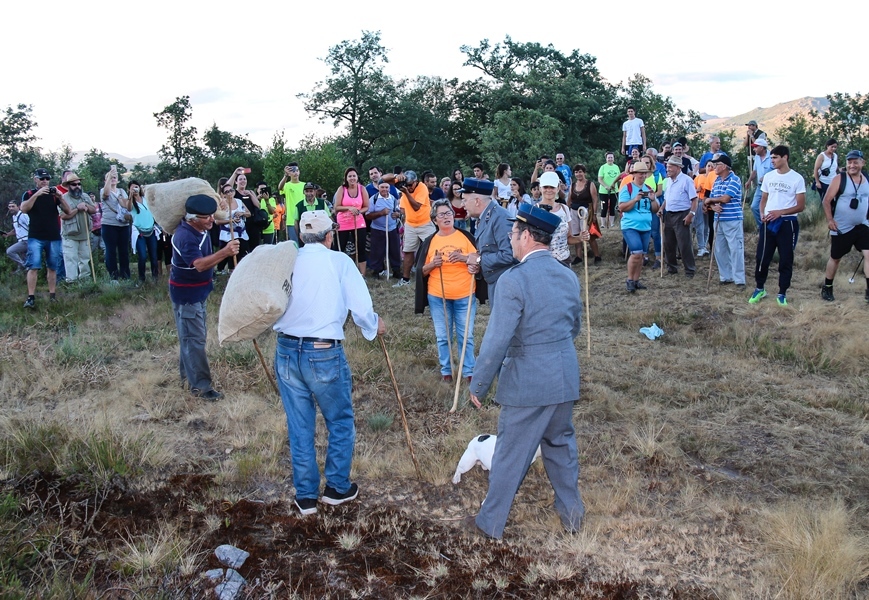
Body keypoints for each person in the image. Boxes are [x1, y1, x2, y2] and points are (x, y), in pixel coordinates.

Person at [463, 202, 584, 540]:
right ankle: (573, 516)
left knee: (510, 455)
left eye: (513, 234)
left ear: (528, 236)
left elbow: (496, 340)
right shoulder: (567, 275)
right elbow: (574, 327)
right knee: (560, 447)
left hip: (528, 380)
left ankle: (489, 524)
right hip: (563, 374)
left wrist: (479, 384)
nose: (511, 240)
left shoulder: (513, 281)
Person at [272, 210, 385, 515]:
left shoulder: (288, 261)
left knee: (300, 425)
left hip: (285, 349)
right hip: (322, 351)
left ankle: (306, 496)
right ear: (328, 236)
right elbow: (360, 307)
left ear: (300, 234)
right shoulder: (339, 262)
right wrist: (373, 325)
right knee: (339, 420)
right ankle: (336, 487)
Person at [170, 194, 239, 401]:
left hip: (198, 293)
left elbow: (215, 219)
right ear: (191, 218)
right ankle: (201, 387)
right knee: (195, 340)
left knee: (189, 337)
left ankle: (187, 378)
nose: (211, 220)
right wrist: (225, 252)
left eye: (212, 215)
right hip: (188, 296)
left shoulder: (199, 228)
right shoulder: (185, 236)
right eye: (205, 217)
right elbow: (199, 264)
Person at [414, 200, 482, 382]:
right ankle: (447, 371)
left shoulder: (465, 237)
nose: (446, 217)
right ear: (435, 220)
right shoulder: (430, 241)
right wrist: (432, 264)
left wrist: (464, 257)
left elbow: (479, 260)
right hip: (438, 296)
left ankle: (468, 372)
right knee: (443, 336)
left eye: (449, 213)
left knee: (465, 336)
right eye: (441, 214)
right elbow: (420, 270)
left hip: (465, 295)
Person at [749, 146, 806, 306]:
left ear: (785, 157)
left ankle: (782, 293)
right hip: (768, 222)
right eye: (772, 157)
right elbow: (763, 199)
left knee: (786, 258)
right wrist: (762, 213)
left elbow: (801, 206)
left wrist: (781, 212)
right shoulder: (768, 177)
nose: (772, 161)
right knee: (762, 257)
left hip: (787, 223)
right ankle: (760, 288)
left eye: (775, 158)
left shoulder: (797, 178)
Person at [821, 150, 869, 302]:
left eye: (856, 162)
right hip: (842, 226)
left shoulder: (867, 178)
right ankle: (827, 287)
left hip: (863, 225)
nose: (852, 165)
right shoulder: (839, 179)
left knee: (868, 255)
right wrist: (830, 220)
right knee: (835, 258)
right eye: (849, 162)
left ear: (863, 163)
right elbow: (826, 200)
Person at [457, 177, 516, 301]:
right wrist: (478, 265)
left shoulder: (500, 218)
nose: (462, 205)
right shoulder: (486, 217)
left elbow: (510, 255)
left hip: (505, 284)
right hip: (496, 281)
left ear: (477, 201)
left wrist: (479, 259)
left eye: (465, 200)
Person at [20, 168, 73, 308]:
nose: (45, 181)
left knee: (53, 266)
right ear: (35, 179)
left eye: (47, 179)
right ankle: (31, 297)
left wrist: (61, 197)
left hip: (53, 236)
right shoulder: (29, 194)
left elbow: (68, 211)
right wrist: (37, 195)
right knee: (33, 266)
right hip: (35, 236)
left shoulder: (53, 195)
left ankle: (52, 295)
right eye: (42, 179)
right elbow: (24, 209)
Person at [382, 170, 435, 287]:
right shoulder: (404, 183)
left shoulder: (422, 188)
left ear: (416, 182)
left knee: (433, 249)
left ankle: (434, 276)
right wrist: (396, 176)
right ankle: (405, 279)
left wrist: (406, 193)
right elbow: (384, 178)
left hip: (425, 223)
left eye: (411, 185)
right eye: (407, 185)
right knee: (408, 251)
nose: (408, 187)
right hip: (410, 224)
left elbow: (416, 207)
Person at [705, 154, 745, 288]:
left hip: (732, 219)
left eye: (717, 164)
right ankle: (726, 276)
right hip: (718, 219)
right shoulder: (716, 181)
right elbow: (709, 200)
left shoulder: (734, 179)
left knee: (735, 249)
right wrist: (711, 205)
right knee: (719, 249)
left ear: (724, 166)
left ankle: (739, 279)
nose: (714, 167)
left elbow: (726, 198)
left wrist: (711, 201)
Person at [618, 161, 659, 292]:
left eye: (644, 173)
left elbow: (655, 209)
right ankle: (630, 280)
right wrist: (635, 199)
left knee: (641, 256)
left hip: (646, 227)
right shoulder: (627, 188)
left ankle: (636, 281)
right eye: (640, 173)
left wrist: (653, 199)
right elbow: (622, 207)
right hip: (630, 226)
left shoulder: (649, 189)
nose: (642, 175)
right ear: (634, 174)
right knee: (636, 253)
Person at [660, 156, 699, 277]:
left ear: (678, 167)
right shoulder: (669, 181)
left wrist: (690, 215)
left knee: (684, 244)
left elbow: (694, 200)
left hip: (682, 214)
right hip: (669, 214)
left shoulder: (687, 180)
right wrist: (661, 208)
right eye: (667, 167)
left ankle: (689, 270)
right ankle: (671, 268)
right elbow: (667, 198)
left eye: (670, 167)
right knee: (668, 243)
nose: (668, 169)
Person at [58, 172, 96, 282]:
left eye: (79, 184)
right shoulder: (63, 198)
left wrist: (87, 206)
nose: (77, 186)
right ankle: (72, 283)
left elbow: (93, 210)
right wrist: (77, 209)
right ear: (68, 186)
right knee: (70, 260)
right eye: (74, 185)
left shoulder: (85, 196)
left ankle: (85, 282)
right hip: (70, 236)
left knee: (85, 259)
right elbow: (63, 216)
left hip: (85, 235)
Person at [334, 167, 370, 276]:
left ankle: (362, 275)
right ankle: (337, 273)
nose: (352, 178)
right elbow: (336, 207)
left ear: (357, 177)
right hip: (343, 223)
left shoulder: (362, 189)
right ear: (346, 178)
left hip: (358, 222)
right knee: (339, 248)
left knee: (361, 248)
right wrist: (349, 208)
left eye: (354, 175)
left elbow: (366, 206)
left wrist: (359, 211)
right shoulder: (341, 189)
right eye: (350, 176)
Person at [100, 167, 132, 281]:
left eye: (114, 177)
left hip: (123, 225)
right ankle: (113, 276)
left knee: (124, 251)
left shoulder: (122, 191)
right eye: (110, 177)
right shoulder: (102, 190)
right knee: (111, 251)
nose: (113, 179)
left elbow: (126, 205)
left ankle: (125, 275)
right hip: (109, 224)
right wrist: (109, 177)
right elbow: (106, 193)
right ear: (105, 180)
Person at [366, 181, 401, 279]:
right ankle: (376, 271)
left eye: (387, 187)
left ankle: (396, 270)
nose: (385, 189)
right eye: (382, 187)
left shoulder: (393, 199)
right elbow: (368, 215)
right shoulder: (373, 199)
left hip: (392, 228)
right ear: (378, 187)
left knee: (394, 250)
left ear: (389, 188)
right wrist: (381, 213)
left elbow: (398, 211)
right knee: (377, 251)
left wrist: (397, 215)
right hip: (377, 229)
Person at [567, 165, 601, 264]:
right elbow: (569, 199)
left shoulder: (590, 184)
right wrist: (565, 211)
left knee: (588, 234)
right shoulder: (572, 185)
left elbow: (595, 200)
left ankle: (597, 255)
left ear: (584, 173)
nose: (578, 174)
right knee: (576, 234)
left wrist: (594, 214)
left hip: (586, 211)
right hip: (573, 212)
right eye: (576, 172)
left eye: (580, 171)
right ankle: (579, 256)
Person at [215, 183, 250, 273]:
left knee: (243, 250)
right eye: (227, 192)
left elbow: (249, 213)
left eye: (231, 190)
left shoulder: (239, 201)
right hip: (228, 233)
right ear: (223, 194)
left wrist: (242, 213)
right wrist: (230, 221)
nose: (230, 193)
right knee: (230, 253)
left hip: (241, 232)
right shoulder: (222, 205)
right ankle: (226, 270)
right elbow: (217, 221)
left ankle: (241, 270)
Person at [128, 181, 159, 283]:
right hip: (139, 232)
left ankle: (155, 278)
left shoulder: (146, 199)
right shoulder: (131, 203)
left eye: (136, 187)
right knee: (142, 256)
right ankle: (142, 278)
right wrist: (130, 196)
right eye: (133, 188)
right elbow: (128, 208)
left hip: (151, 230)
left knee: (154, 256)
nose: (135, 189)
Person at [745, 137, 773, 230]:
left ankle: (769, 227)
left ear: (762, 147)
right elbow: (755, 171)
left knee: (769, 207)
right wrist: (749, 181)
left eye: (756, 147)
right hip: (760, 186)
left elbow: (776, 170)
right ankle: (762, 227)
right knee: (754, 207)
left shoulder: (772, 156)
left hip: (771, 187)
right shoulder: (757, 157)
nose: (754, 149)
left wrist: (767, 176)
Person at [279, 162, 305, 245]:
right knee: (295, 244)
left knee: (305, 244)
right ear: (289, 173)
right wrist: (285, 176)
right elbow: (280, 188)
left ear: (299, 172)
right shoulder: (287, 185)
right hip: (291, 220)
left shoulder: (304, 185)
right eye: (293, 171)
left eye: (297, 170)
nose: (295, 173)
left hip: (304, 219)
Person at [597, 152, 621, 228]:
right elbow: (600, 179)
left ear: (613, 158)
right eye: (609, 157)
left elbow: (619, 177)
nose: (610, 159)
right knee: (604, 207)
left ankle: (612, 223)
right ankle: (603, 224)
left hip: (614, 190)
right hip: (604, 191)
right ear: (606, 159)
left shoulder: (616, 167)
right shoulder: (603, 167)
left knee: (612, 207)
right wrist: (606, 186)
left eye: (611, 157)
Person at [4, 201, 28, 273]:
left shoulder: (23, 215)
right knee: (24, 257)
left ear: (18, 206)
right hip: (21, 240)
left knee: (10, 251)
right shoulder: (14, 217)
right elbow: (17, 229)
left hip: (26, 240)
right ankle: (24, 271)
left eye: (13, 206)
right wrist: (8, 234)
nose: (11, 208)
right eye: (9, 207)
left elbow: (31, 225)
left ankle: (24, 266)